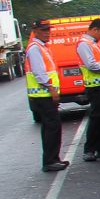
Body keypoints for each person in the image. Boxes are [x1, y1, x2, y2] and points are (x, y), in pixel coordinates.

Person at [26, 19, 68, 172]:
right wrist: (51, 89)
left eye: (48, 30)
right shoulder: (35, 48)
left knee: (51, 127)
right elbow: (39, 73)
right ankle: (50, 161)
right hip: (43, 95)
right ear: (35, 31)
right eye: (44, 30)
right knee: (52, 127)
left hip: (44, 95)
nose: (47, 33)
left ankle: (53, 159)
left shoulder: (42, 47)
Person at [77, 18, 100, 161]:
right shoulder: (84, 44)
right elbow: (91, 65)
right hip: (95, 87)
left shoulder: (94, 44)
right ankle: (89, 150)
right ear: (95, 29)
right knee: (97, 118)